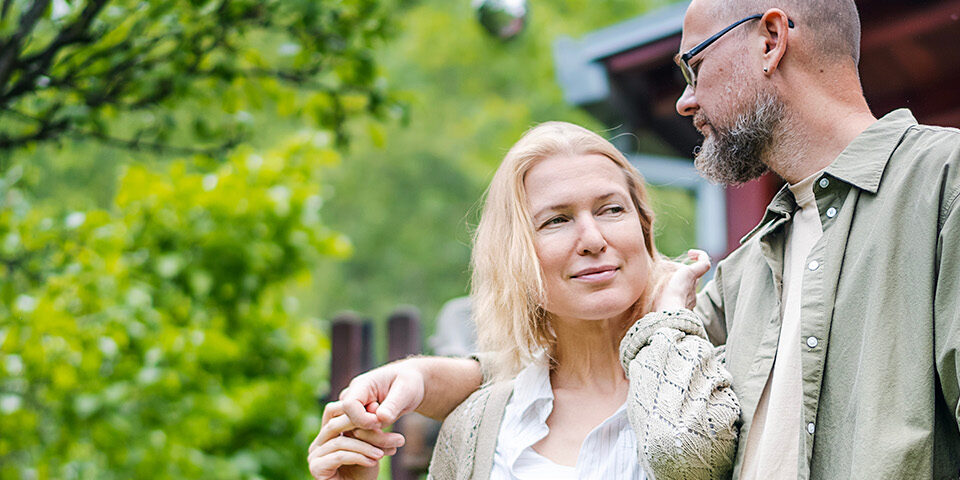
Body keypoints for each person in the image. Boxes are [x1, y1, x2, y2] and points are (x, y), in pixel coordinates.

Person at [315, 0, 960, 478]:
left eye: (695, 65)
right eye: (557, 220)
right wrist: (416, 380)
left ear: (769, 39)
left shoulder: (943, 183)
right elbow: (555, 368)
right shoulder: (746, 271)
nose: (684, 101)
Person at [307, 122, 741, 479]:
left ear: (644, 230)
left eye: (611, 210)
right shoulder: (479, 428)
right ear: (516, 255)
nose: (593, 239)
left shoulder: (722, 375)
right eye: (557, 220)